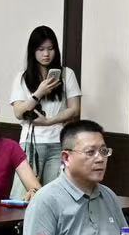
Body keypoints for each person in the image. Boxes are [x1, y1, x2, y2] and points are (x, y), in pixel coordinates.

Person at [11, 26, 81, 185]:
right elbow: (18, 112)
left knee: (54, 192)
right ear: (33, 51)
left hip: (58, 142)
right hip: (30, 142)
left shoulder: (66, 74)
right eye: (41, 49)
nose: (46, 54)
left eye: (50, 49)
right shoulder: (22, 77)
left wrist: (49, 121)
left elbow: (75, 109)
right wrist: (39, 92)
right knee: (26, 192)